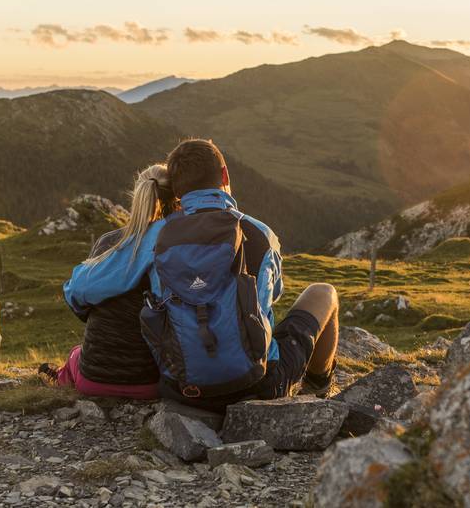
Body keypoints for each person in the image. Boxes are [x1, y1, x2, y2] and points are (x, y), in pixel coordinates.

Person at [153, 139, 339, 411]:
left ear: (176, 189)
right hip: (256, 384)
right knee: (324, 293)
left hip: (181, 387)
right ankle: (319, 386)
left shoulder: (157, 237)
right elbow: (272, 296)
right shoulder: (258, 233)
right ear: (225, 175)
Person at [41, 165, 177, 398]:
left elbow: (81, 305)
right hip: (152, 382)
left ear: (139, 197)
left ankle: (61, 380)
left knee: (76, 354)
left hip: (93, 379)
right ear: (177, 199)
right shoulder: (179, 248)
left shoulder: (109, 243)